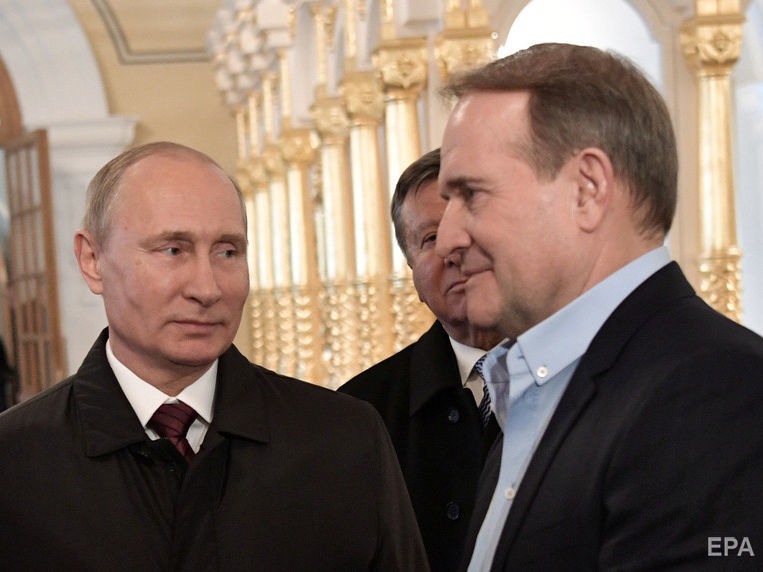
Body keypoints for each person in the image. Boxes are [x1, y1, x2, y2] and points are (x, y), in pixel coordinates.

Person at [0, 141, 428, 571]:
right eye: (173, 250)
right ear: (93, 259)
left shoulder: (345, 438)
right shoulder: (14, 459)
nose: (207, 289)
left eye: (227, 252)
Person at [434, 43, 763, 571]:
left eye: (471, 194)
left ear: (587, 189)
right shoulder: (527, 384)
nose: (447, 239)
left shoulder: (715, 388)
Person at [339, 148, 504, 572]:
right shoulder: (357, 413)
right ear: (411, 272)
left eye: (469, 227)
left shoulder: (590, 381)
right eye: (430, 238)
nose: (454, 250)